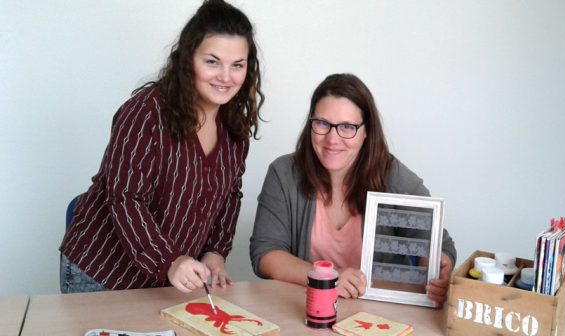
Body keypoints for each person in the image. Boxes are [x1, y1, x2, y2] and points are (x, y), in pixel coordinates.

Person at [59, 0, 264, 294]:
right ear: (188, 59)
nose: (225, 76)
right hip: (102, 271)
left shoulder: (234, 128)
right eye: (212, 61)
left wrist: (216, 252)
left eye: (237, 65)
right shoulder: (146, 112)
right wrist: (169, 260)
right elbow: (125, 197)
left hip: (165, 279)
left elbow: (230, 195)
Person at [249, 73, 456, 307]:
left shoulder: (393, 176)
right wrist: (329, 276)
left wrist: (438, 266)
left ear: (366, 131)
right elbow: (265, 254)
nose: (332, 138)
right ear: (310, 124)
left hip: (381, 314)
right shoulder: (284, 173)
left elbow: (440, 245)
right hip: (306, 309)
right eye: (322, 124)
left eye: (347, 127)